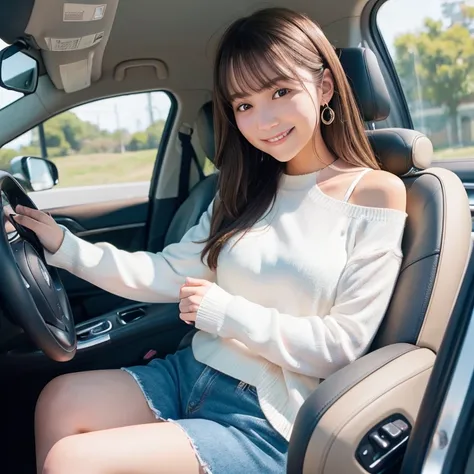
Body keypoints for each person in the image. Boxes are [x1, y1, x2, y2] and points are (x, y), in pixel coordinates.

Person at [14, 7, 407, 474]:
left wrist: (226, 313)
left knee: (73, 461)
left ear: (323, 87)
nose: (263, 120)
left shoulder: (375, 193)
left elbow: (343, 346)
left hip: (268, 414)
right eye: (243, 105)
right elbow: (164, 272)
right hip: (193, 372)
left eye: (280, 92)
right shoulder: (240, 190)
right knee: (59, 399)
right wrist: (62, 246)